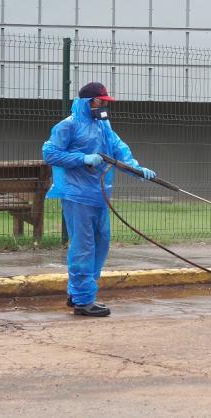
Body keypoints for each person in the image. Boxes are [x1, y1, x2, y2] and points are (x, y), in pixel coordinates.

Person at [42, 82, 156, 317]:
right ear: (87, 102)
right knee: (83, 247)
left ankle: (78, 294)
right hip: (77, 195)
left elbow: (118, 150)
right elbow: (50, 153)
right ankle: (84, 301)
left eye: (106, 102)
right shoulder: (68, 125)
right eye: (101, 101)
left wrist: (136, 169)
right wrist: (82, 159)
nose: (104, 105)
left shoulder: (104, 125)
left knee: (101, 243)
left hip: (99, 194)